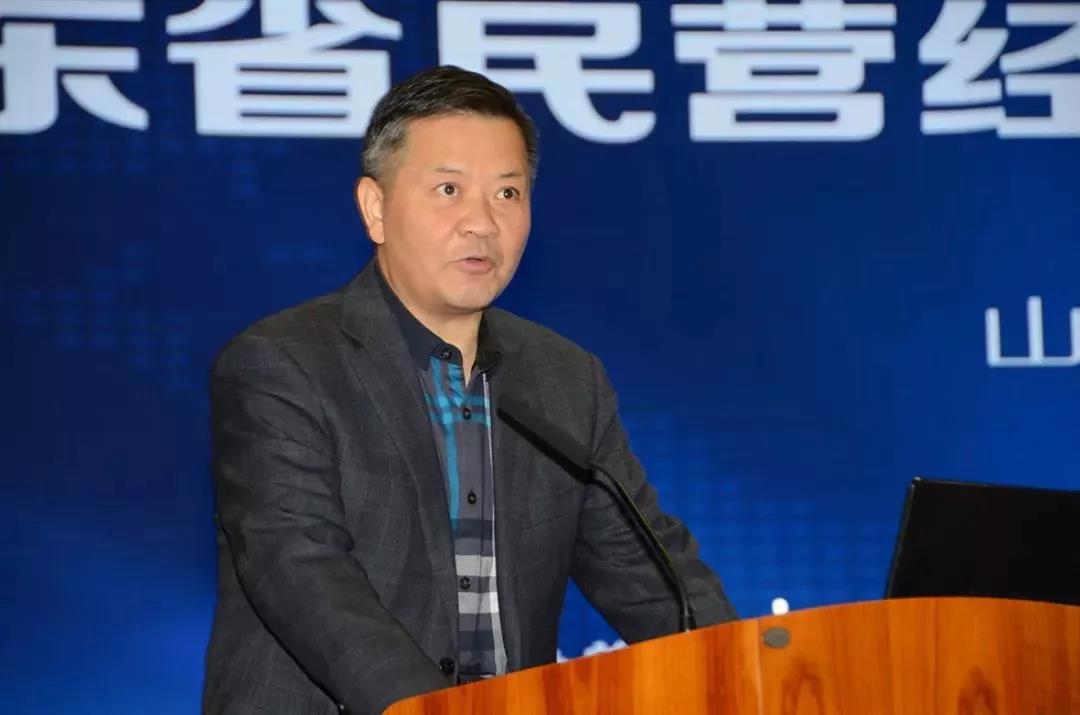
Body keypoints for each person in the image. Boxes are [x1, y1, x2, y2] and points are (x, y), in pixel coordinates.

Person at [204, 65, 736, 715]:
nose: (481, 222)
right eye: (449, 189)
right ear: (376, 208)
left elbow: (651, 578)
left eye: (508, 193)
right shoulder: (283, 364)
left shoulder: (565, 378)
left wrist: (746, 675)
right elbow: (298, 567)